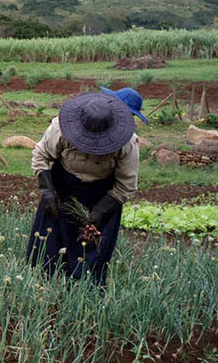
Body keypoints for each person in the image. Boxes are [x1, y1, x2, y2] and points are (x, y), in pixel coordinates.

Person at [26, 91, 139, 286]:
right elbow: (41, 156)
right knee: (48, 247)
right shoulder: (60, 127)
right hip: (62, 189)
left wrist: (98, 212)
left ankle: (84, 293)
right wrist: (46, 190)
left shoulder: (127, 143)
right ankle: (42, 287)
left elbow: (126, 185)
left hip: (102, 195)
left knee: (90, 254)